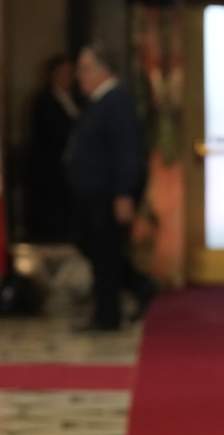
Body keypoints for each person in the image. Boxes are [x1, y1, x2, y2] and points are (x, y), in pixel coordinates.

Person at [65, 42, 157, 331]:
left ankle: (107, 316)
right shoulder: (99, 103)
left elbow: (127, 152)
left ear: (103, 71)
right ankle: (139, 286)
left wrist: (124, 193)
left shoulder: (117, 102)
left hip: (108, 195)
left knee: (106, 255)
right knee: (100, 251)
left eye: (85, 69)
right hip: (92, 194)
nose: (79, 76)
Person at [28, 55, 79, 243]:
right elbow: (54, 132)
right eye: (63, 73)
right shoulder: (43, 101)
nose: (68, 77)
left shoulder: (77, 98)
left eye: (70, 73)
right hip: (51, 169)